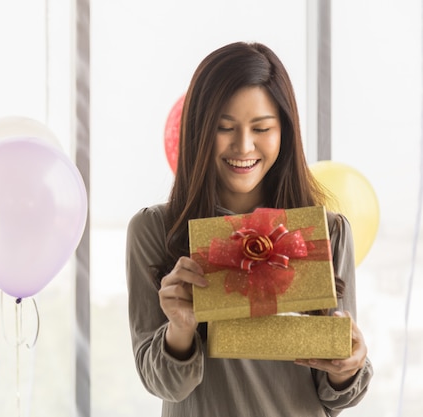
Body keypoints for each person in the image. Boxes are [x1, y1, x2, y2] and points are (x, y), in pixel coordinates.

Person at [125, 41, 373, 416]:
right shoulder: (156, 230)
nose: (244, 145)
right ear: (197, 130)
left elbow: (336, 396)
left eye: (261, 128)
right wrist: (180, 328)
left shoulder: (328, 232)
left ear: (284, 132)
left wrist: (348, 365)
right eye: (225, 128)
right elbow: (164, 385)